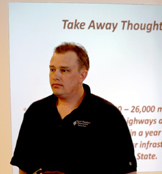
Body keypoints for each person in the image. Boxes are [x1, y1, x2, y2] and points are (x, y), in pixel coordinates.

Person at [10, 42, 137, 174]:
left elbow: (127, 171)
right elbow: (23, 168)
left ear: (82, 75)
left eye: (64, 70)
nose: (55, 76)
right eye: (52, 69)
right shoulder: (36, 112)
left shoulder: (108, 114)